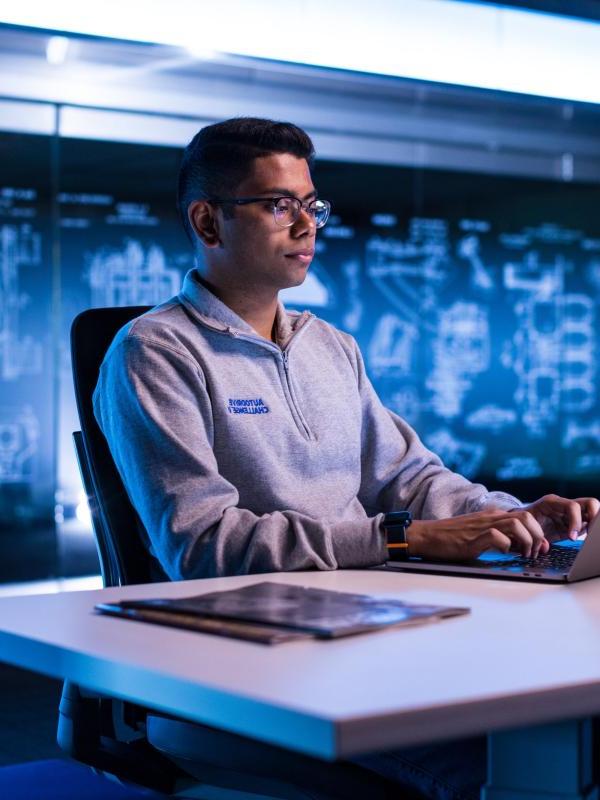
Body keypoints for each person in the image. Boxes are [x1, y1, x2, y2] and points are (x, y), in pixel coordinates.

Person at [93, 117, 599, 800]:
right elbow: (203, 546)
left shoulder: (330, 346)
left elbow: (409, 475)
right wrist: (401, 538)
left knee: (562, 728)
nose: (308, 226)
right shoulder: (153, 352)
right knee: (507, 762)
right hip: (241, 664)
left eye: (312, 205)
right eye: (279, 205)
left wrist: (516, 519)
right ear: (208, 223)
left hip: (362, 627)